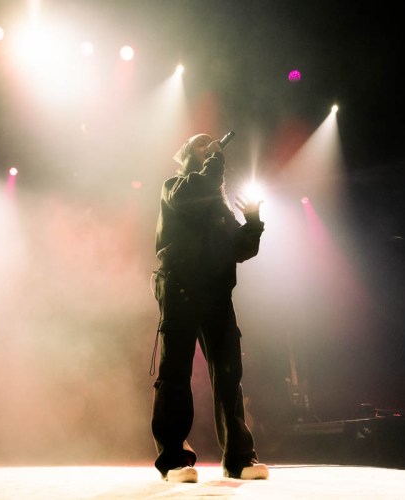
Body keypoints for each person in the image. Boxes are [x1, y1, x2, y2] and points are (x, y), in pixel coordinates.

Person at [150, 132, 269, 483]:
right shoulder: (175, 187)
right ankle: (173, 460)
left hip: (216, 293)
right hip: (181, 289)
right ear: (187, 154)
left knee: (229, 374)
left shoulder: (217, 207)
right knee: (175, 375)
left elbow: (239, 249)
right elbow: (193, 193)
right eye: (201, 144)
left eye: (212, 145)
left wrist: (253, 223)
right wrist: (215, 161)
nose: (210, 147)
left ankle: (238, 458)